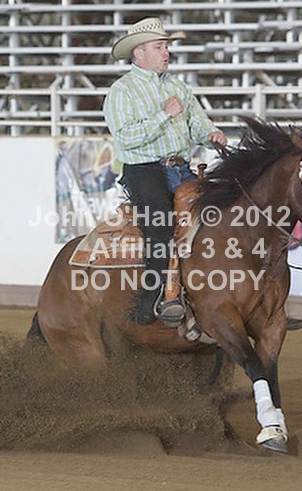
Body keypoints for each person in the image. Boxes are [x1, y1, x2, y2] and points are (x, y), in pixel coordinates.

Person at [103, 17, 228, 325]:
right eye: (159, 47)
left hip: (180, 168)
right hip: (143, 169)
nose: (166, 52)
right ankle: (154, 297)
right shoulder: (122, 91)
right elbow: (125, 137)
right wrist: (164, 115)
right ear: (139, 53)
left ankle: (230, 295)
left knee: (221, 215)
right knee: (159, 222)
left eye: (166, 47)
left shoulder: (177, 86)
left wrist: (210, 134)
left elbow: (197, 123)